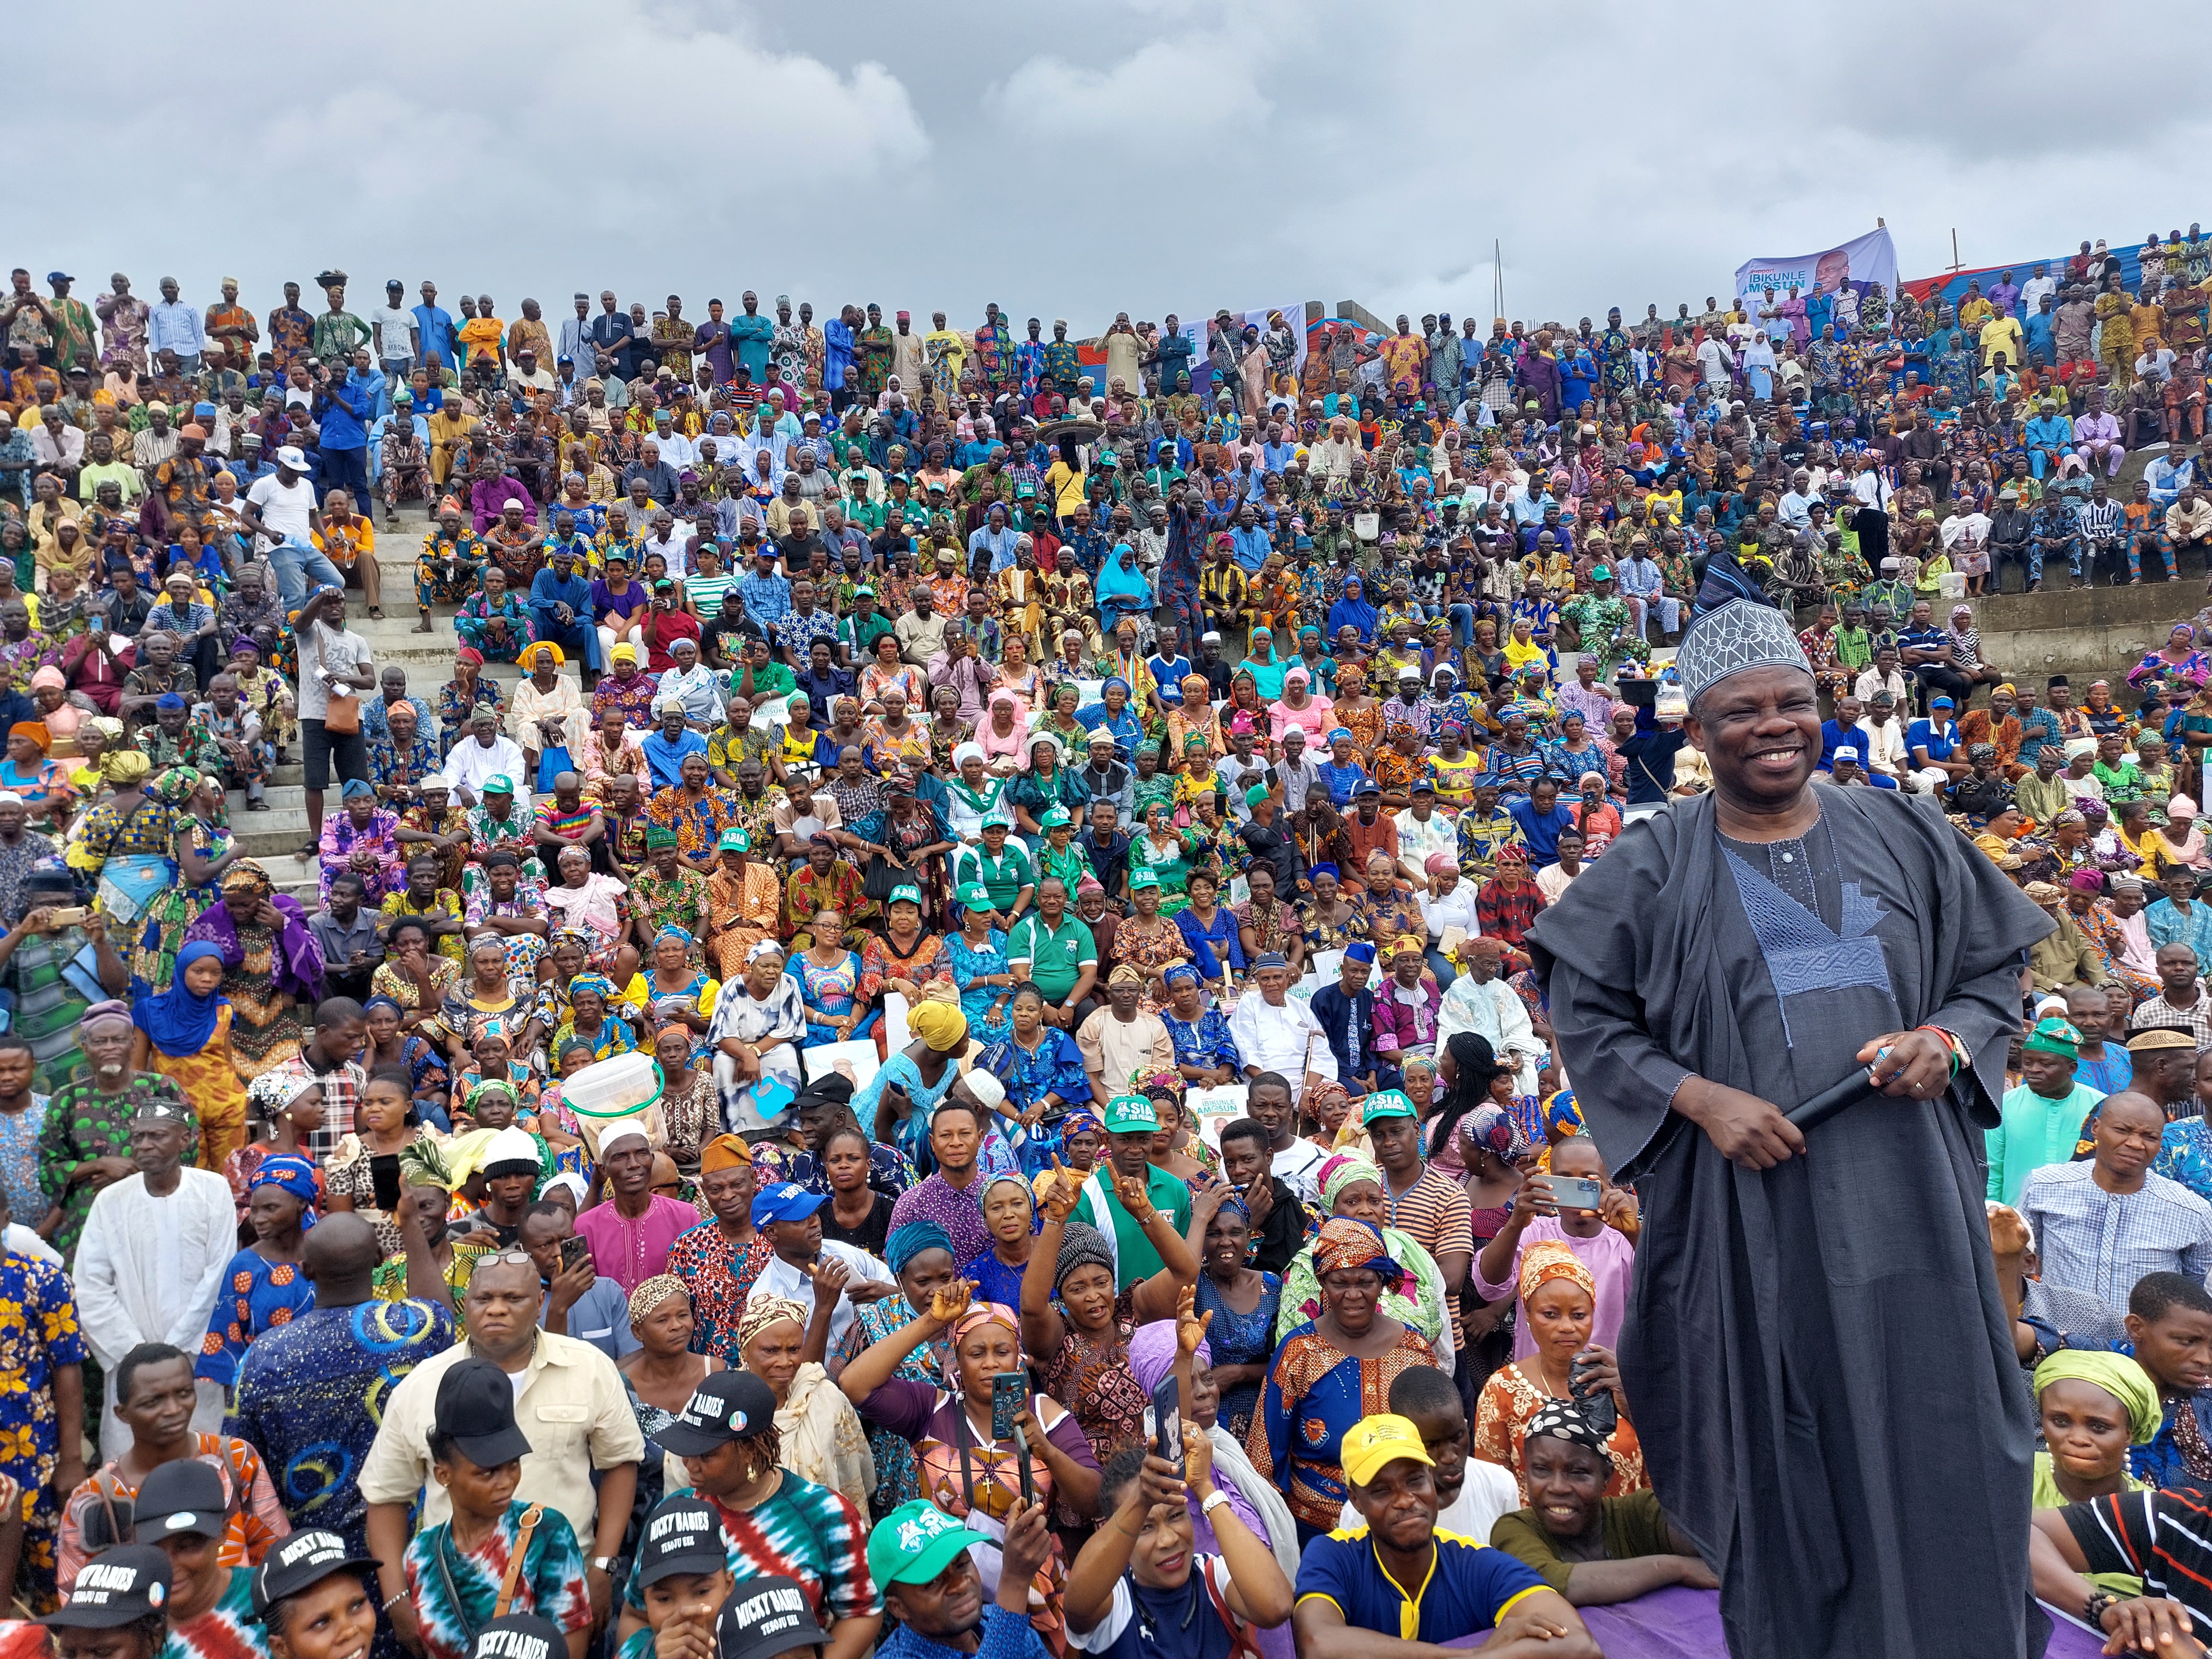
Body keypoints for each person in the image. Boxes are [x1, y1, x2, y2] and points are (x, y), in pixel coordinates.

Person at [1527, 596, 2051, 1658]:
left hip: (1912, 1207)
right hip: (1751, 1223)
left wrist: (1946, 1040)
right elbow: (1583, 1009)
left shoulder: (1902, 827)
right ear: (1695, 735)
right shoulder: (1647, 866)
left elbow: (1993, 968)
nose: (1772, 727)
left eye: (1793, 705)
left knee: (1940, 1439)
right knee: (1781, 1453)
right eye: (1741, 713)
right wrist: (1699, 1098)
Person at [358, 1251, 642, 1655]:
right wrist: (396, 1598)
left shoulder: (590, 1369)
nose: (496, 1309)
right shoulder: (421, 1386)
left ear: (540, 1303)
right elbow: (386, 1494)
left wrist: (602, 1567)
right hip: (454, 1602)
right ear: (467, 1305)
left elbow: (619, 1464)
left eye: (513, 1298)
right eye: (483, 1299)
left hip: (563, 1591)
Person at [229, 1212, 455, 1554]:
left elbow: (243, 1461)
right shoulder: (411, 1331)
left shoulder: (263, 1357)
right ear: (379, 1260)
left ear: (305, 1270)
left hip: (312, 1557)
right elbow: (439, 1310)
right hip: (404, 1547)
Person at [618, 1369, 881, 1659]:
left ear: (751, 1450)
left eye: (706, 1455)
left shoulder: (825, 1514)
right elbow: (635, 1616)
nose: (689, 1464)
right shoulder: (674, 1516)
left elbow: (862, 1613)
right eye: (687, 1449)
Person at [1291, 1413, 1598, 1659]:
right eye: (1381, 1491)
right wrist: (1471, 1654)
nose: (1405, 1500)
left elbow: (1580, 1646)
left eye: (1414, 1480)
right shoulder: (1334, 1554)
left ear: (1431, 1479)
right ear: (1356, 1500)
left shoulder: (1473, 1562)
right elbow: (1318, 1644)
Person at [1250, 1217, 1437, 1546]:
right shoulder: (1299, 1351)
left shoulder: (1414, 1349)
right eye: (1340, 1283)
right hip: (1316, 1531)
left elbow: (1437, 1437)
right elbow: (1267, 1451)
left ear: (1381, 1282)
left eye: (1365, 1282)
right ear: (1323, 1283)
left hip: (1403, 1526)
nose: (1353, 1295)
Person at [71, 1090, 237, 1453]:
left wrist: (177, 1348)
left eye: (157, 1136)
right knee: (131, 1466)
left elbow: (219, 1276)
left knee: (203, 1455)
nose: (145, 1145)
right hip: (130, 1361)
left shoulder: (213, 1190)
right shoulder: (111, 1201)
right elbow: (90, 1284)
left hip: (198, 1358)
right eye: (138, 1137)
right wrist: (135, 1353)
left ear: (185, 1139)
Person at [55, 1341, 289, 1591]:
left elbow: (275, 1554)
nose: (174, 1409)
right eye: (153, 1402)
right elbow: (80, 1600)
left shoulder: (236, 1460)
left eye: (184, 1393)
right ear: (122, 1413)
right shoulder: (94, 1500)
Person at [400, 1358, 594, 1659]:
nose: (506, 1482)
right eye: (488, 1472)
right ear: (443, 1475)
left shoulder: (547, 1534)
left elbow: (571, 1650)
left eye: (513, 1465)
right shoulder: (420, 1555)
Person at [1487, 1396, 1718, 1607]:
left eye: (1578, 1472)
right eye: (1541, 1470)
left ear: (1606, 1477)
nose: (1558, 1487)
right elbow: (1551, 1584)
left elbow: (1711, 1535)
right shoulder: (1513, 1529)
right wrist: (1677, 1568)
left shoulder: (1638, 1514)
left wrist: (1638, 1416)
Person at [2023, 1091, 2212, 1310]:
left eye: (2150, 1137)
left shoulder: (2191, 1211)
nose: (2135, 1144)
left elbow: (2193, 1290)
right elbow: (2030, 1260)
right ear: (2096, 1128)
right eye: (2122, 1131)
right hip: (2056, 1337)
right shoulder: (2044, 1186)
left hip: (2140, 1342)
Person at [1987, 1015, 2106, 1206]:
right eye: (2028, 1062)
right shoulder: (2003, 1105)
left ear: (2071, 1068)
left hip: (2079, 1220)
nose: (2034, 1070)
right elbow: (1993, 1170)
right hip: (2016, 1220)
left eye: (2046, 1064)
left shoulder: (2100, 1107)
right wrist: (1992, 1214)